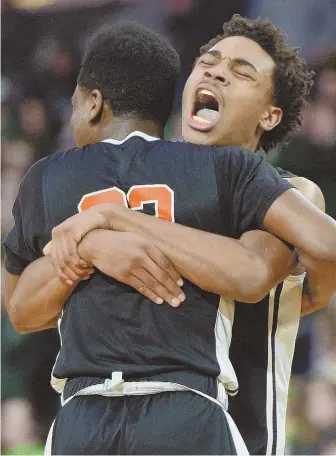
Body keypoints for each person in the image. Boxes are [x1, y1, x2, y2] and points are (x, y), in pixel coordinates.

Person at [4, 19, 336, 455]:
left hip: (240, 427)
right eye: (208, 62)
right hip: (133, 415)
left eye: (240, 72)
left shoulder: (285, 191)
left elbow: (255, 273)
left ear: (269, 115)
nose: (216, 73)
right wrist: (90, 247)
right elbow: (28, 309)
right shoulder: (168, 178)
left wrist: (116, 220)